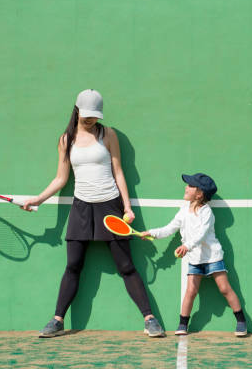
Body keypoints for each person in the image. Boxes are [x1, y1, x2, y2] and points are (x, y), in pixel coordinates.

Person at [22, 89, 165, 338]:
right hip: (81, 208)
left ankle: (150, 319)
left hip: (110, 206)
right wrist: (38, 199)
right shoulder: (66, 140)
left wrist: (127, 208)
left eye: (95, 116)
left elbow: (118, 171)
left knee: (126, 267)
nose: (91, 120)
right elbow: (61, 178)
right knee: (73, 265)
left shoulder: (108, 134)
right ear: (77, 110)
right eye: (87, 116)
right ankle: (57, 320)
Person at [140, 173, 247, 337]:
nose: (186, 187)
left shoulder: (207, 212)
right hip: (195, 259)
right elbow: (169, 228)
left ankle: (241, 322)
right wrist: (152, 233)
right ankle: (183, 324)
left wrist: (186, 246)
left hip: (213, 257)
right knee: (191, 291)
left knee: (225, 288)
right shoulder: (183, 210)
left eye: (190, 186)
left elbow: (201, 234)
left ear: (200, 194)